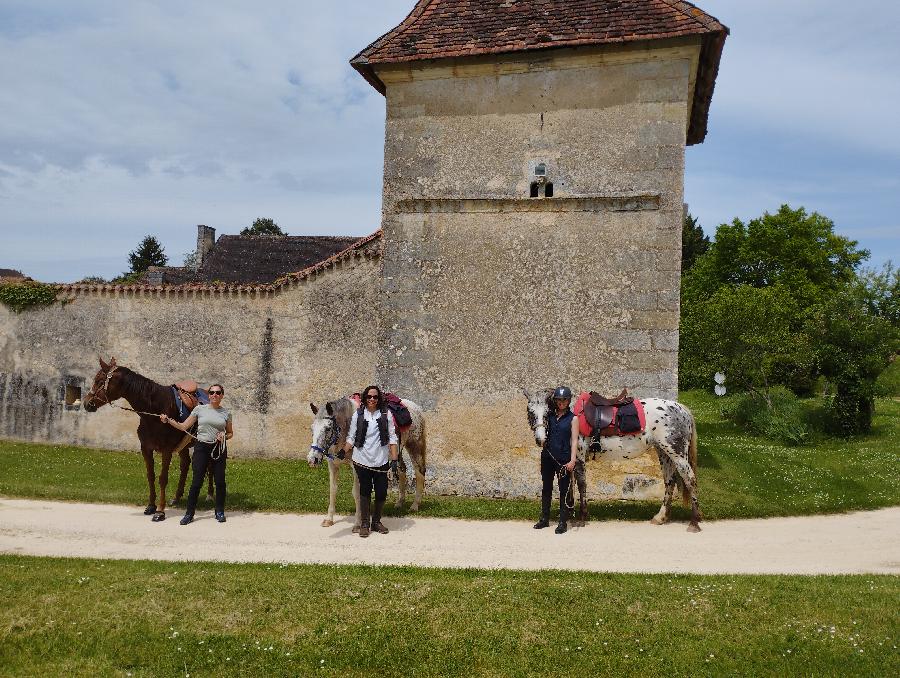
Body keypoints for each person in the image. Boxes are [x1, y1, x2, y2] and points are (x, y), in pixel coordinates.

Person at [161, 383, 233, 525]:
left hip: (218, 448)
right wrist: (168, 420)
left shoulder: (226, 413)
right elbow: (183, 427)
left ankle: (219, 511)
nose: (214, 395)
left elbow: (230, 433)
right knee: (196, 482)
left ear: (222, 396)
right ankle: (189, 514)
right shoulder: (199, 409)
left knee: (220, 482)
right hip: (201, 448)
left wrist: (224, 436)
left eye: (218, 393)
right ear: (209, 395)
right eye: (211, 392)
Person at [341, 385, 399, 538]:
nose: (372, 399)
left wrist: (394, 459)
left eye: (375, 397)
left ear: (379, 399)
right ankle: (365, 524)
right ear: (365, 398)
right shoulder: (358, 415)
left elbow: (392, 437)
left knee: (381, 492)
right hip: (362, 461)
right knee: (365, 492)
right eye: (369, 397)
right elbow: (351, 438)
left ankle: (376, 522)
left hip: (381, 461)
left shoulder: (386, 415)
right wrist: (343, 450)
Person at [534, 385, 579, 534]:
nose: (561, 402)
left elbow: (574, 441)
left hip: (564, 459)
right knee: (546, 488)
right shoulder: (549, 416)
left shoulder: (573, 419)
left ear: (569, 401)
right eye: (559, 400)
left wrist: (573, 460)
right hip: (547, 457)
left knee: (563, 490)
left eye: (564, 400)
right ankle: (544, 519)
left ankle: (562, 522)